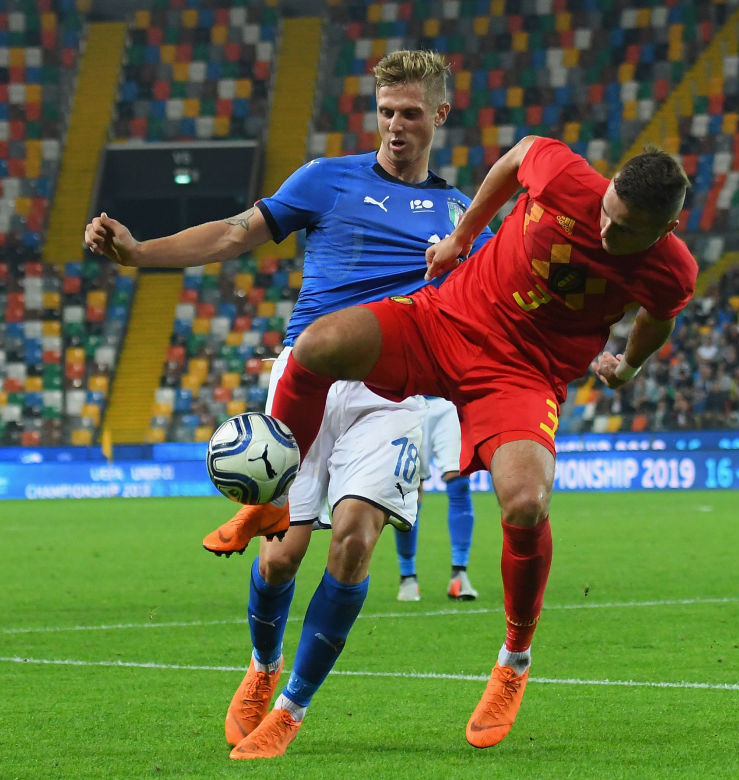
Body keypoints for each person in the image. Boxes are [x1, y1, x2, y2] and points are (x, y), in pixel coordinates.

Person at [84, 50, 492, 760]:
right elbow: (238, 232)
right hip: (306, 377)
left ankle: (291, 707)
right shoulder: (326, 179)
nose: (396, 126)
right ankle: (261, 665)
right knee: (281, 560)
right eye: (386, 111)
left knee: (357, 536)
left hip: (395, 392)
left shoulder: (462, 216)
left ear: (441, 115)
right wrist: (139, 253)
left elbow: (499, 302)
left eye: (411, 113)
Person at [264, 135, 697, 749]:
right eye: (607, 213)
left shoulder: (672, 269)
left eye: (627, 231)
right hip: (445, 320)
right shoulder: (568, 178)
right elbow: (519, 154)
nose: (606, 233)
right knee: (317, 347)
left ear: (670, 226)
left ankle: (513, 661)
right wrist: (465, 236)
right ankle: (271, 502)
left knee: (524, 502)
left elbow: (660, 314)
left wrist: (625, 366)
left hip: (520, 376)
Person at [394, 396, 479, 602]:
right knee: (409, 492)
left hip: (448, 399)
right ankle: (408, 577)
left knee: (459, 482)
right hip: (409, 400)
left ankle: (459, 574)